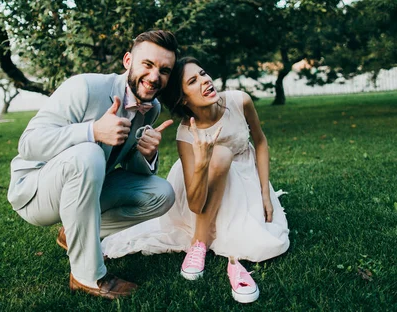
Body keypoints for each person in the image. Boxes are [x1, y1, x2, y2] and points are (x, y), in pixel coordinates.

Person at [101, 57, 290, 304]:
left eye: (203, 74)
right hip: (197, 180)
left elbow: (261, 142)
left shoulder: (240, 100)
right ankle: (198, 243)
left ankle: (208, 238)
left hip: (243, 175)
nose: (205, 81)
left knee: (263, 244)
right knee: (220, 154)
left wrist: (266, 193)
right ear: (184, 99)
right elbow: (196, 204)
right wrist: (202, 163)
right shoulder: (185, 135)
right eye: (193, 81)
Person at [7, 30, 179, 300]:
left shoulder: (152, 107)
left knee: (162, 193)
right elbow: (28, 144)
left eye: (164, 70)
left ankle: (72, 232)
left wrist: (146, 154)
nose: (155, 76)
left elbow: (129, 169)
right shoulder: (85, 87)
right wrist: (92, 131)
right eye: (147, 64)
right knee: (88, 154)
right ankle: (87, 276)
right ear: (127, 61)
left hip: (86, 186)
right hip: (35, 191)